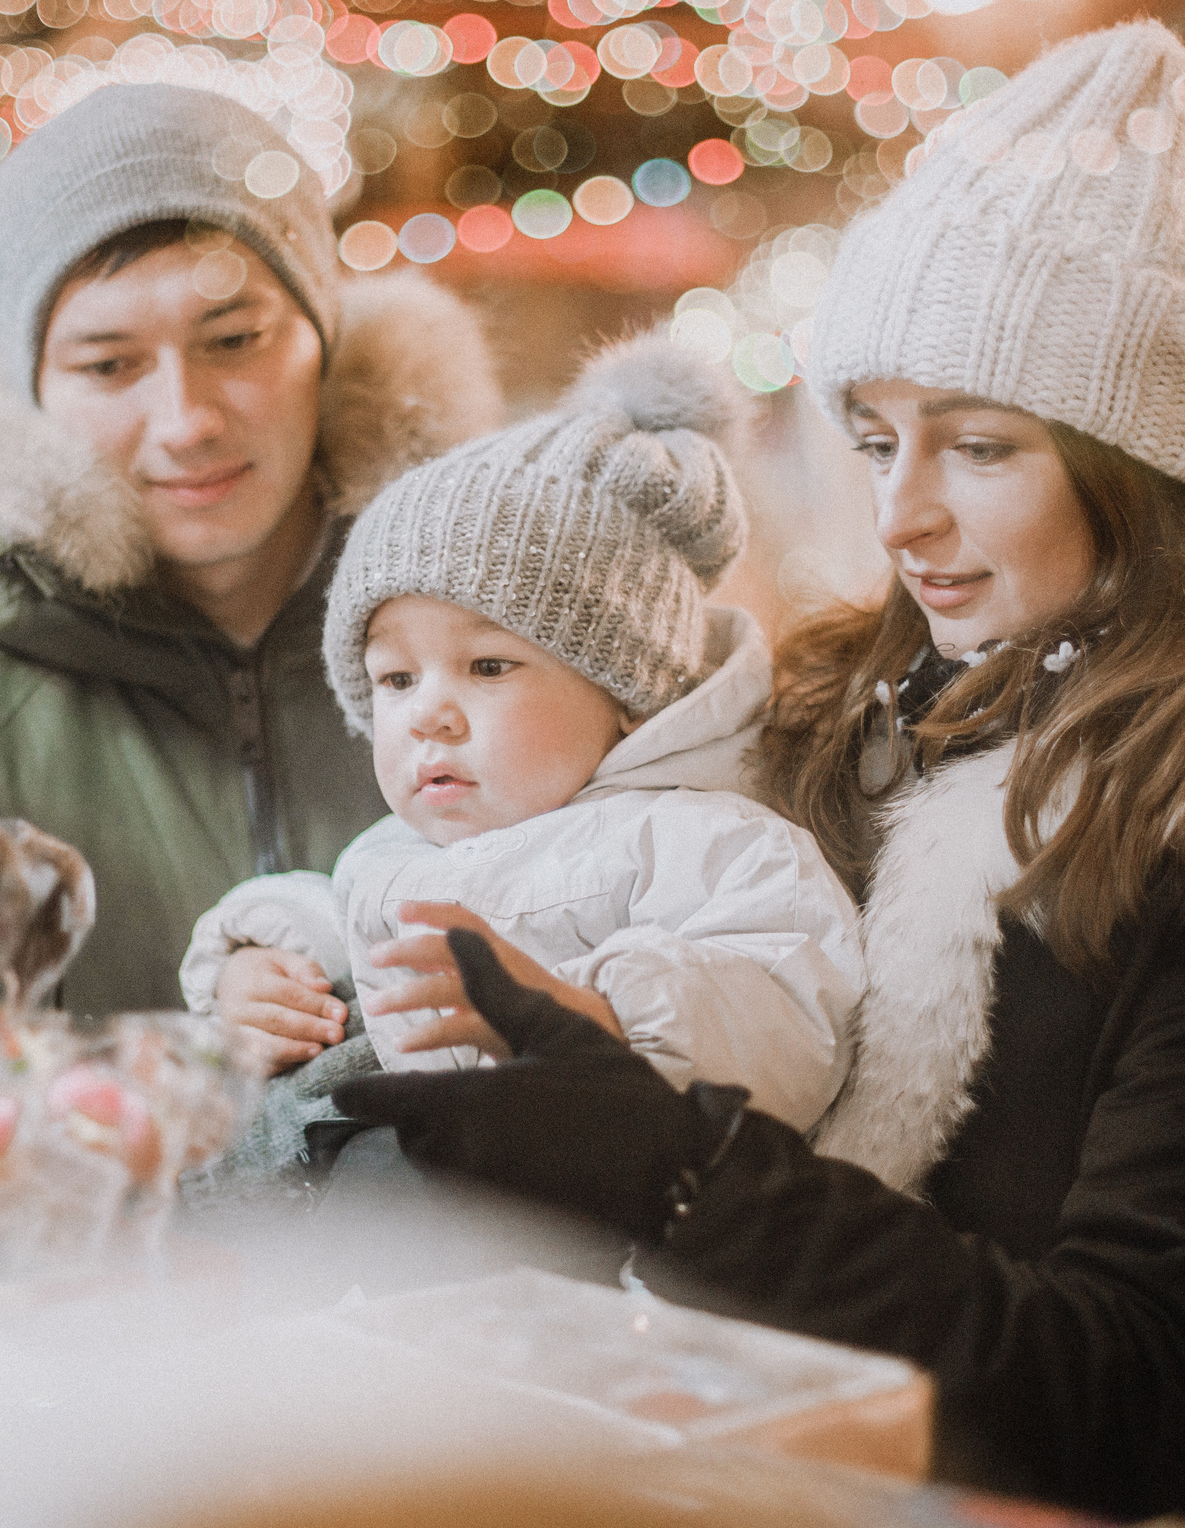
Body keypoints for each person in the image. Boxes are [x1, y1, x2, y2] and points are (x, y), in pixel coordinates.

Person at [329, 20, 1185, 1528]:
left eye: (977, 448)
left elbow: (1149, 1408)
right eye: (877, 436)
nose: (899, 513)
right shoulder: (825, 725)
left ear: (1131, 463)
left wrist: (681, 1167)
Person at [0, 84, 501, 1016]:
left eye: (234, 340)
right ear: (33, 393)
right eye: (109, 365)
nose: (186, 421)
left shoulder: (507, 648)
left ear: (324, 339)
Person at [180, 337, 860, 1168]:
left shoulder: (710, 844)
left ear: (626, 692)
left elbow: (792, 1024)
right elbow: (337, 922)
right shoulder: (399, 853)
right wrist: (257, 975)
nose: (429, 713)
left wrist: (592, 1012)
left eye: (488, 665)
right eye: (394, 679)